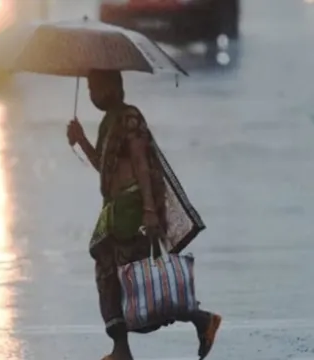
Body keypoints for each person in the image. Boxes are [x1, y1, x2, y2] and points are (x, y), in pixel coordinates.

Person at [66, 69, 221, 360]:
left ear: (111, 87)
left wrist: (150, 210)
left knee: (141, 284)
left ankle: (202, 319)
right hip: (114, 215)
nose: (91, 95)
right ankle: (120, 349)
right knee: (108, 279)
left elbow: (141, 164)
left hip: (134, 214)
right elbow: (105, 168)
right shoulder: (108, 123)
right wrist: (81, 140)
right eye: (88, 89)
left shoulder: (129, 119)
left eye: (94, 88)